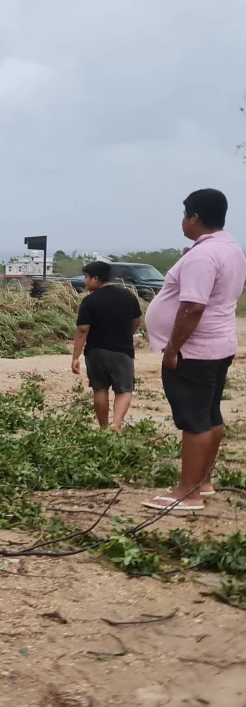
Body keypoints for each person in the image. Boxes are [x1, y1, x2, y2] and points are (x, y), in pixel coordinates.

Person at [142, 188, 246, 511]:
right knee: (209, 413)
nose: (182, 220)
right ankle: (203, 481)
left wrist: (173, 348)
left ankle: (188, 492)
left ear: (194, 217)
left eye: (184, 214)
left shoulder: (203, 256)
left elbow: (192, 308)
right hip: (219, 345)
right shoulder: (232, 249)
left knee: (194, 420)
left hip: (196, 351)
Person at [71, 261, 142, 434]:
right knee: (124, 390)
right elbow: (136, 320)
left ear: (96, 278)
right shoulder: (128, 296)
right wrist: (126, 335)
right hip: (122, 351)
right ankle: (116, 424)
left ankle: (103, 428)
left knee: (100, 388)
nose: (84, 281)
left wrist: (75, 357)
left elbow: (82, 330)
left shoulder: (89, 301)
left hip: (96, 352)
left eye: (87, 277)